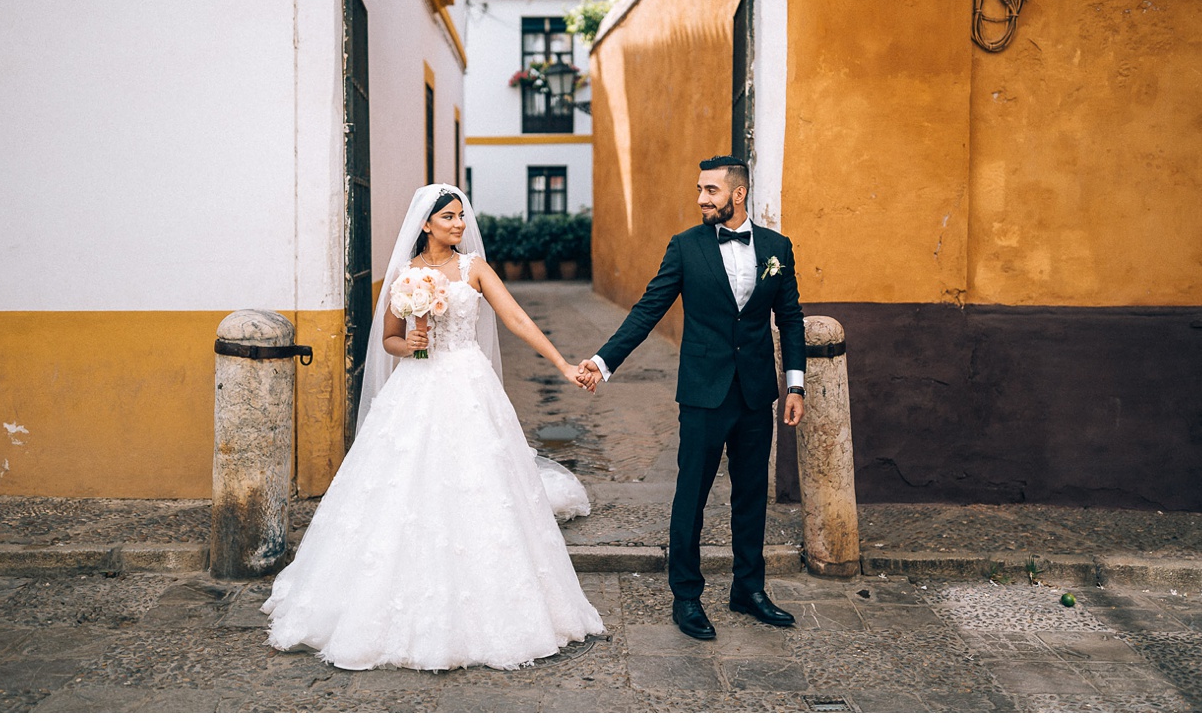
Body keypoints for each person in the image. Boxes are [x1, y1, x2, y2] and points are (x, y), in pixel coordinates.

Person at [262, 183, 604, 671]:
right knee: (402, 487)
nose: (459, 224)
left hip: (469, 385)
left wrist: (563, 364)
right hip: (417, 387)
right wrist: (415, 343)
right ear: (425, 224)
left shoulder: (475, 268)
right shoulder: (406, 276)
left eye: (462, 216)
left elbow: (516, 319)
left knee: (480, 486)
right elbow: (390, 342)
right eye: (448, 217)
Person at [580, 155, 807, 641]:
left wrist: (795, 385)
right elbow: (648, 310)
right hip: (704, 394)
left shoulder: (776, 248)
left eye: (711, 190)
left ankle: (749, 590)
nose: (702, 198)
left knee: (750, 497)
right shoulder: (685, 247)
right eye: (700, 190)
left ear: (738, 194)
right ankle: (686, 596)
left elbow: (789, 317)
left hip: (755, 395)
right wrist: (602, 362)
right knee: (692, 496)